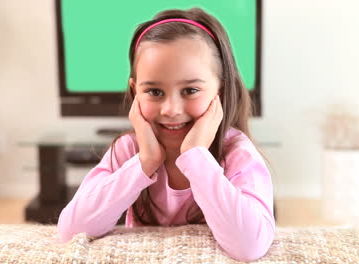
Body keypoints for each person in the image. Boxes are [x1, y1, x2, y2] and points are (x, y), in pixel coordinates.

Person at [57, 7, 275, 262]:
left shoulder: (237, 154)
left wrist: (196, 157)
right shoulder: (129, 150)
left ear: (221, 90)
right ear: (135, 90)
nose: (171, 110)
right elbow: (71, 231)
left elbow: (250, 246)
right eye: (155, 92)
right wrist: (145, 162)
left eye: (190, 90)